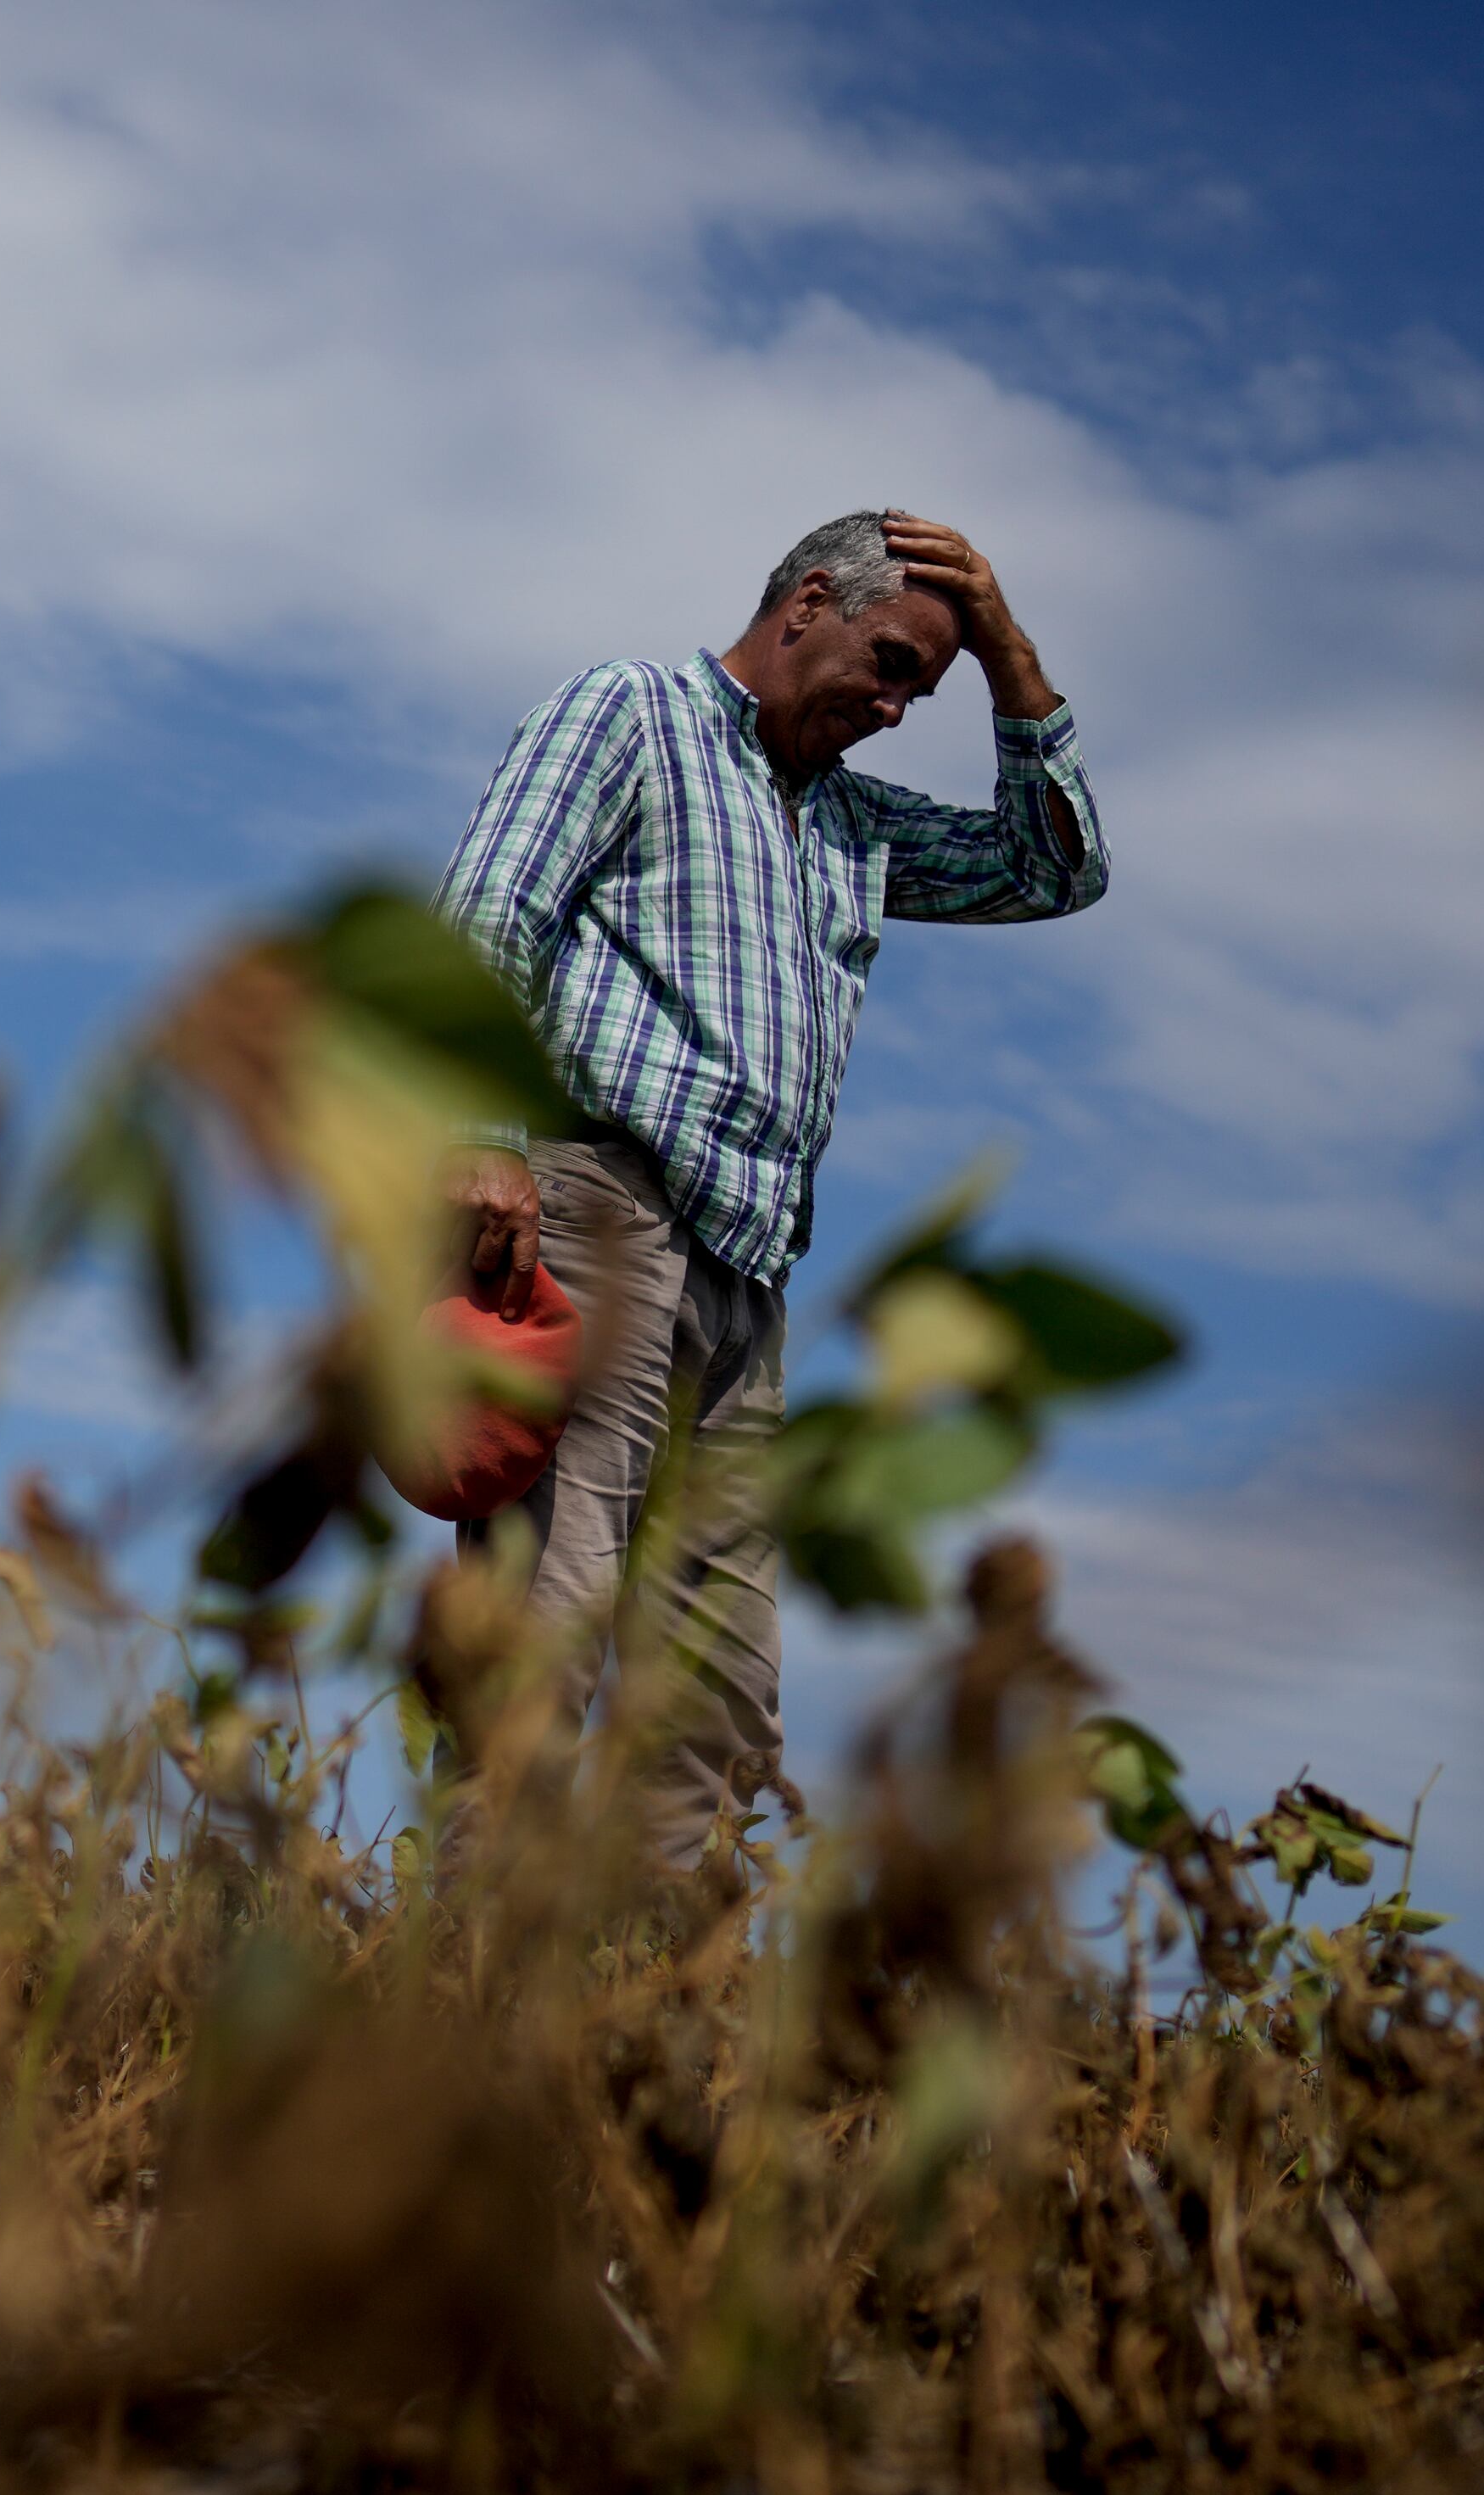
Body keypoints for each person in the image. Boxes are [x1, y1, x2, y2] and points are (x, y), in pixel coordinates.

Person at [433, 508, 1109, 1868]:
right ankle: (461, 2006)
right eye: (897, 661)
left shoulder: (856, 824)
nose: (903, 703)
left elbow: (1056, 869)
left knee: (718, 1698)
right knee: (546, 1630)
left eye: (928, 680)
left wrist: (1007, 654)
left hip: (751, 1285)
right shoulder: (634, 712)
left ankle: (659, 2030)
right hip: (596, 1218)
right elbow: (488, 909)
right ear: (808, 603)